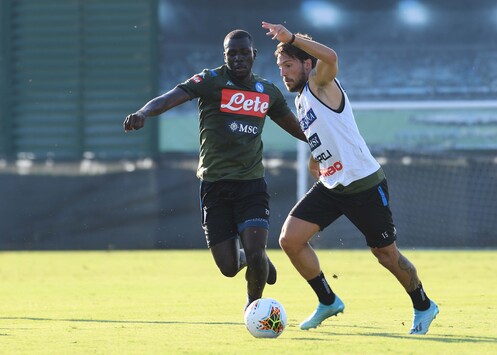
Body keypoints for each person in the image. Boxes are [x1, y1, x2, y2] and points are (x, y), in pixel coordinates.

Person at [261, 21, 439, 334]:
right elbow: (322, 132)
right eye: (279, 67)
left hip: (364, 184)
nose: (283, 73)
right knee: (290, 239)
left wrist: (291, 37)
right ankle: (328, 300)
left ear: (306, 63)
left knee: (386, 255)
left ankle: (424, 304)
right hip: (331, 185)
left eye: (288, 65)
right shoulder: (302, 98)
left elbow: (330, 56)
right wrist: (317, 158)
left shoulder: (320, 81)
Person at [123, 29, 306, 311]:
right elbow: (170, 97)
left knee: (257, 251)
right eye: (232, 53)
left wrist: (323, 143)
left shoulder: (267, 92)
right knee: (229, 268)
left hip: (251, 184)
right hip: (215, 186)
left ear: (253, 55)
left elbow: (296, 128)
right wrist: (144, 112)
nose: (238, 58)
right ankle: (251, 258)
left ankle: (253, 308)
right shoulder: (211, 81)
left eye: (244, 52)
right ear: (225, 56)